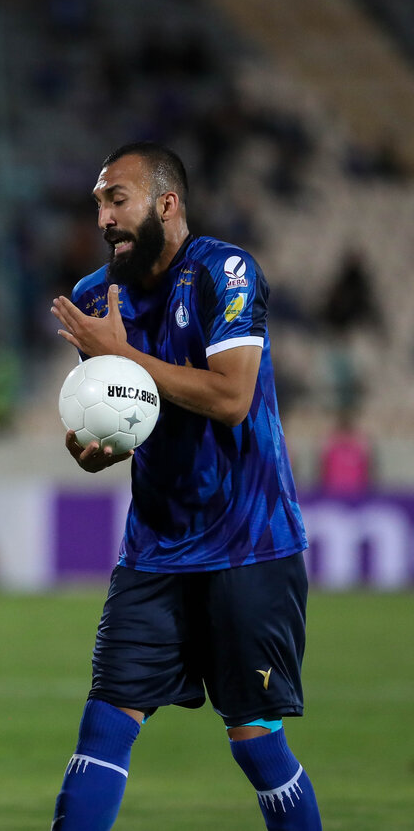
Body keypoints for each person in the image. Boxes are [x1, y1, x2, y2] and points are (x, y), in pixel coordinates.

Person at [47, 142, 321, 830]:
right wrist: (90, 447)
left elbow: (231, 396)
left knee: (255, 741)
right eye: (98, 203)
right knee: (106, 718)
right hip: (156, 549)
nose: (104, 217)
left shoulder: (225, 271)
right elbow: (114, 429)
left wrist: (121, 354)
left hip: (250, 547)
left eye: (119, 200)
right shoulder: (94, 298)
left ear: (167, 204)